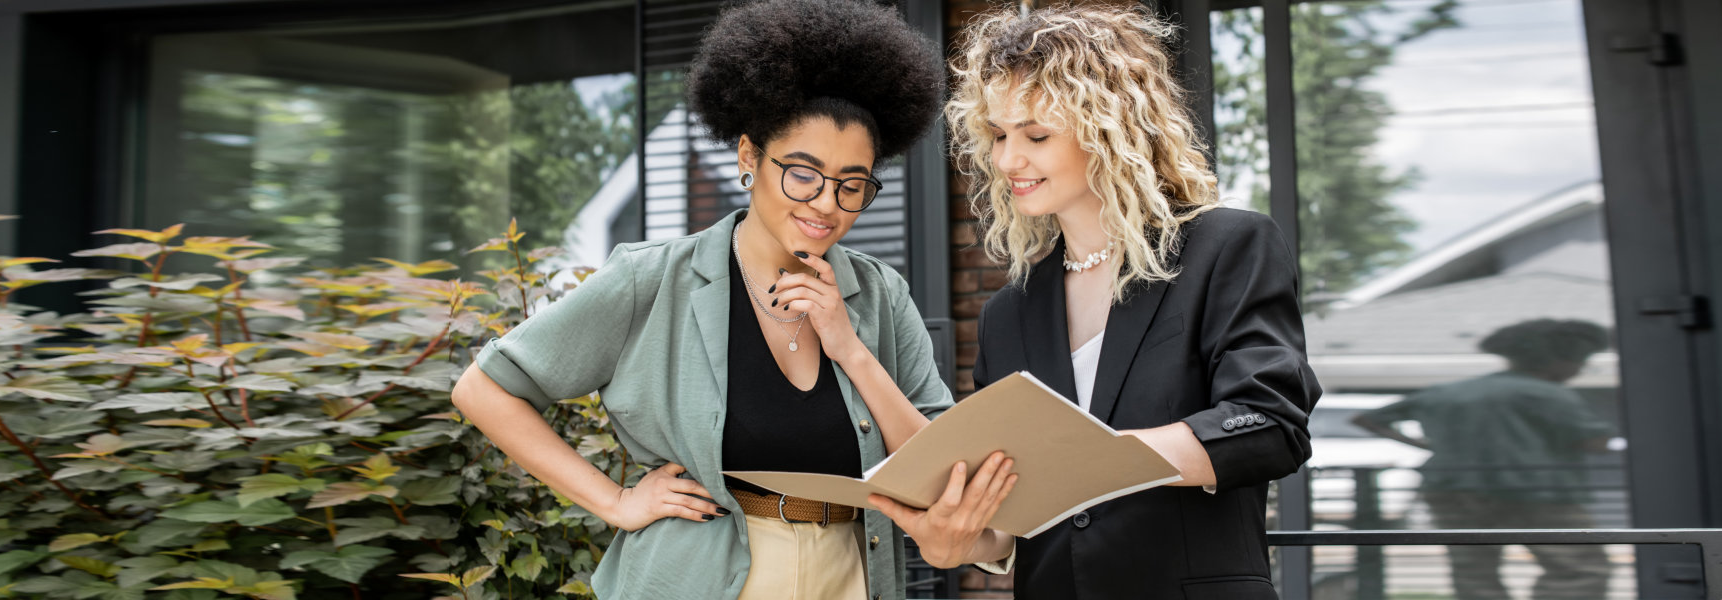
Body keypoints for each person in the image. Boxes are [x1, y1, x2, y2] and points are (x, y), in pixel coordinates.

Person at [447, 1, 1015, 598]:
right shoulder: (653, 280)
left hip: (850, 572)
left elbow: (943, 471)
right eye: (803, 173)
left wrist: (851, 350)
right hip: (697, 576)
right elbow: (484, 388)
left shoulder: (879, 294)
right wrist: (613, 501)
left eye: (853, 185)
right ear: (750, 157)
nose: (827, 203)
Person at [940, 4, 1322, 599]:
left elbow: (1270, 425)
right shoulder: (1008, 313)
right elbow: (1017, 521)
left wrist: (1098, 459)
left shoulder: (1225, 248)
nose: (1009, 160)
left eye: (1037, 135)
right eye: (998, 135)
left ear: (1107, 127)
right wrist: (962, 542)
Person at [1352, 318, 1617, 600]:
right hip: (1539, 491)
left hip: (1453, 490)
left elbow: (1366, 419)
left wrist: (1425, 444)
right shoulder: (1549, 394)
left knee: (1473, 573)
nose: (1580, 369)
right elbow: (1595, 442)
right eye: (1581, 361)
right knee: (1579, 567)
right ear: (1558, 359)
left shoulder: (1446, 392)